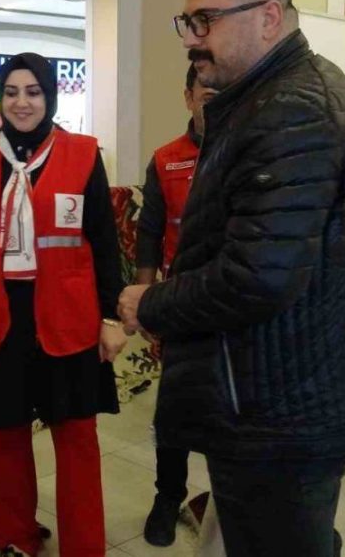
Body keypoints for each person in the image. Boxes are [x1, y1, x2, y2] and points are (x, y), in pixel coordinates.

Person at [117, 0, 345, 557]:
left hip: (284, 408)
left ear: (269, 16)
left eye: (206, 20)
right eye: (188, 22)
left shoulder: (291, 107)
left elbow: (258, 276)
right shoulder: (272, 98)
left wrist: (153, 303)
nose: (192, 39)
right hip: (279, 392)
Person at [0, 52, 127, 557]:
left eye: (33, 92)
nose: (22, 102)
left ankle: (84, 548)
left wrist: (112, 317)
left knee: (76, 441)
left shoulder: (83, 153)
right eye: (12, 92)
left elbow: (104, 244)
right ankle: (13, 538)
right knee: (5, 438)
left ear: (50, 96)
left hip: (67, 320)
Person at [137, 60, 217, 547]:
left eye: (222, 89)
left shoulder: (249, 150)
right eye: (205, 92)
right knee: (174, 411)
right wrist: (145, 297)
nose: (214, 98)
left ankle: (229, 500)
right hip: (182, 305)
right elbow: (148, 231)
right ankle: (168, 496)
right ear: (188, 97)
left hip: (236, 306)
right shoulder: (167, 159)